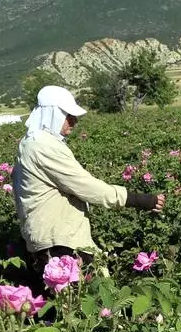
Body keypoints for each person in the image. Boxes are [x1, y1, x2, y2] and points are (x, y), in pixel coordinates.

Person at [12, 85, 165, 286]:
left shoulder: (31, 142)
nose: (74, 122)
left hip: (52, 236)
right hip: (58, 241)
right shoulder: (43, 147)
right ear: (53, 114)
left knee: (78, 302)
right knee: (88, 303)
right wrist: (140, 200)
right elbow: (86, 187)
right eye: (68, 116)